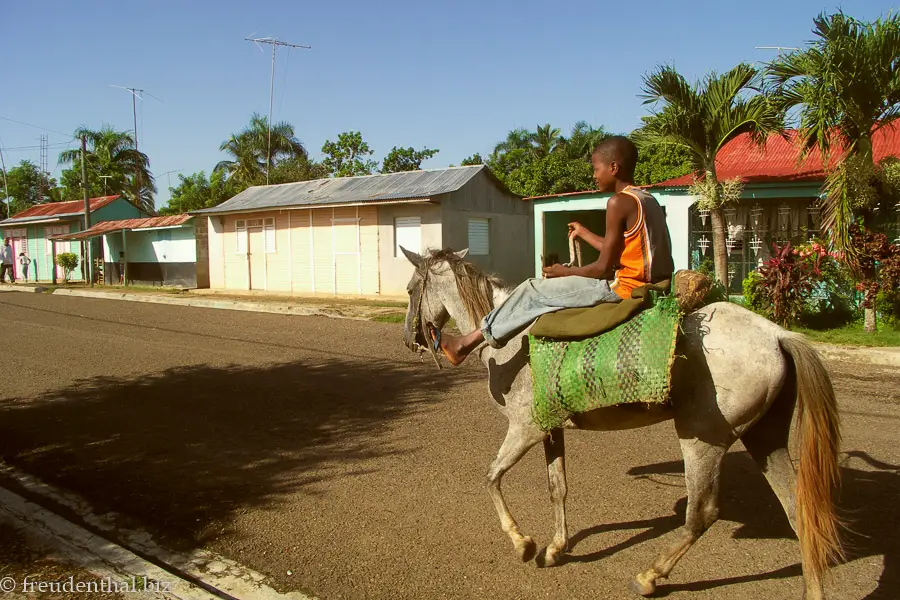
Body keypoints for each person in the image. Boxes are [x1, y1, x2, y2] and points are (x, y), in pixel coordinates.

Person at [429, 136, 674, 366]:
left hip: (625, 289)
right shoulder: (645, 199)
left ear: (613, 168)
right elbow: (620, 252)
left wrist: (564, 273)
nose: (593, 175)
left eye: (596, 168)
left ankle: (465, 344)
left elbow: (603, 268)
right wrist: (584, 233)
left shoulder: (617, 202)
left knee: (531, 289)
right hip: (651, 283)